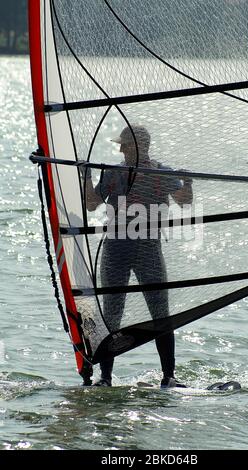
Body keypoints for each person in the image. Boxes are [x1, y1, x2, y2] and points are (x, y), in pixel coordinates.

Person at [82, 125, 193, 388]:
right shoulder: (113, 173)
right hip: (115, 248)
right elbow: (91, 204)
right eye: (120, 145)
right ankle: (105, 377)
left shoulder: (161, 173)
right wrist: (86, 176)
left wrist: (187, 181)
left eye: (126, 145)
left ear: (142, 147)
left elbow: (185, 202)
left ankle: (169, 376)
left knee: (160, 314)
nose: (120, 149)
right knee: (112, 314)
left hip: (148, 249)